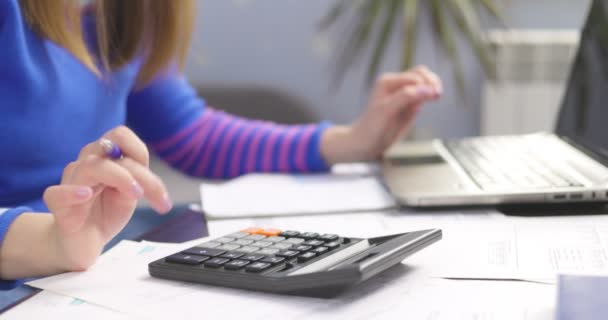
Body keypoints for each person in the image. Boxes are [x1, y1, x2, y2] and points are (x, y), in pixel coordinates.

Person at [0, 0, 442, 288]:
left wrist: (348, 142)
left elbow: (190, 134)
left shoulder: (126, 12)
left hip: (85, 265)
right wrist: (51, 242)